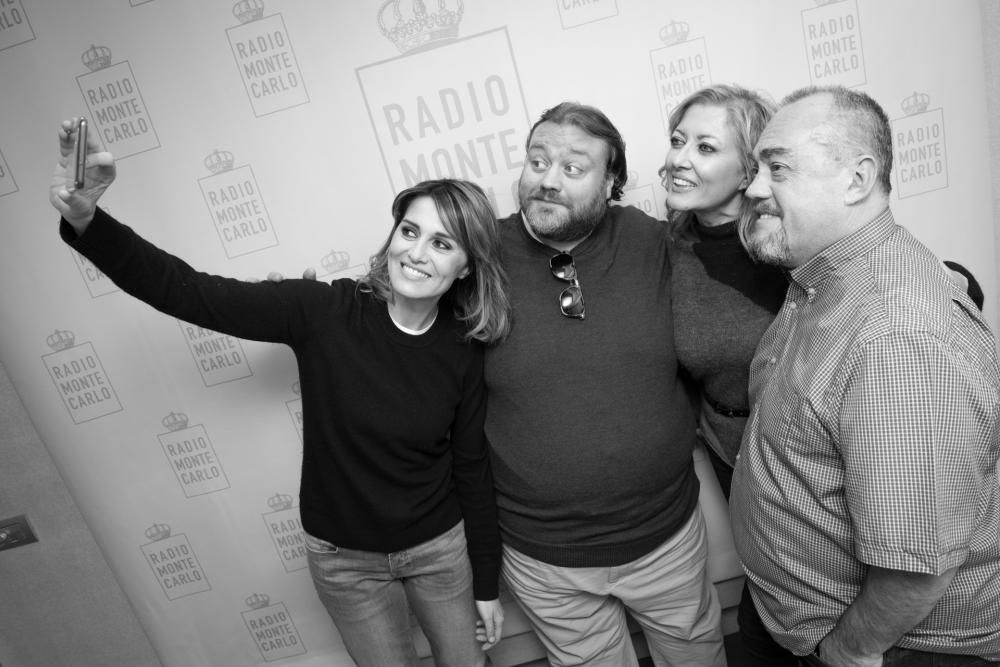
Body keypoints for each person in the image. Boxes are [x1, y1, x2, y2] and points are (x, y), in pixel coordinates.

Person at [49, 118, 510, 667]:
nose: (416, 253)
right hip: (345, 560)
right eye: (409, 232)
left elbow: (471, 466)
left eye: (442, 243)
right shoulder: (324, 311)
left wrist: (486, 583)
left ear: (465, 266)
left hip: (439, 549)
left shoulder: (463, 347)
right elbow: (188, 292)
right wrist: (88, 220)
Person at [732, 86, 1000, 665]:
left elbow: (916, 566)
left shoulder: (896, 342)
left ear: (856, 180)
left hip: (892, 645)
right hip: (794, 615)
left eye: (778, 167)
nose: (752, 189)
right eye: (757, 169)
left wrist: (849, 651)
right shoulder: (824, 277)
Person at [483, 101, 727, 666]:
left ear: (612, 182)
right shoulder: (479, 255)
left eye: (573, 168)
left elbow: (740, 270)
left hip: (665, 537)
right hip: (542, 557)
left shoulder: (656, 243)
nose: (547, 180)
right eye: (537, 161)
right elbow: (404, 318)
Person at [658, 85, 796, 666]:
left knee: (815, 603)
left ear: (748, 171)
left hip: (804, 457)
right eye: (677, 140)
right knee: (771, 598)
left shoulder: (789, 239)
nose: (679, 158)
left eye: (705, 147)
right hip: (727, 447)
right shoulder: (667, 248)